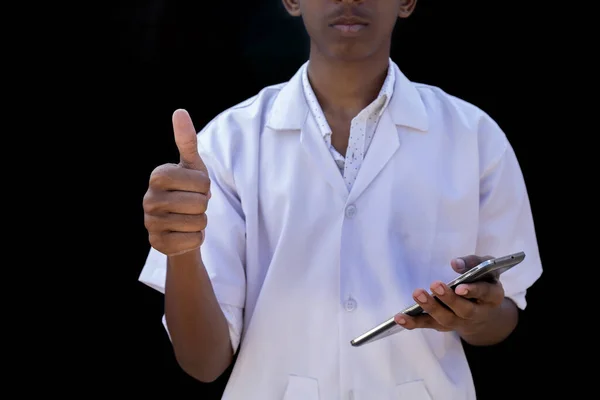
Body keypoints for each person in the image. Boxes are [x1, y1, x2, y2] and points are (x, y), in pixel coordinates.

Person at [139, 0, 543, 398]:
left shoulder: (474, 137)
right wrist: (182, 250)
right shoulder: (227, 144)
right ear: (291, 1)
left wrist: (476, 315)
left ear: (407, 2)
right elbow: (203, 363)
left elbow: (504, 315)